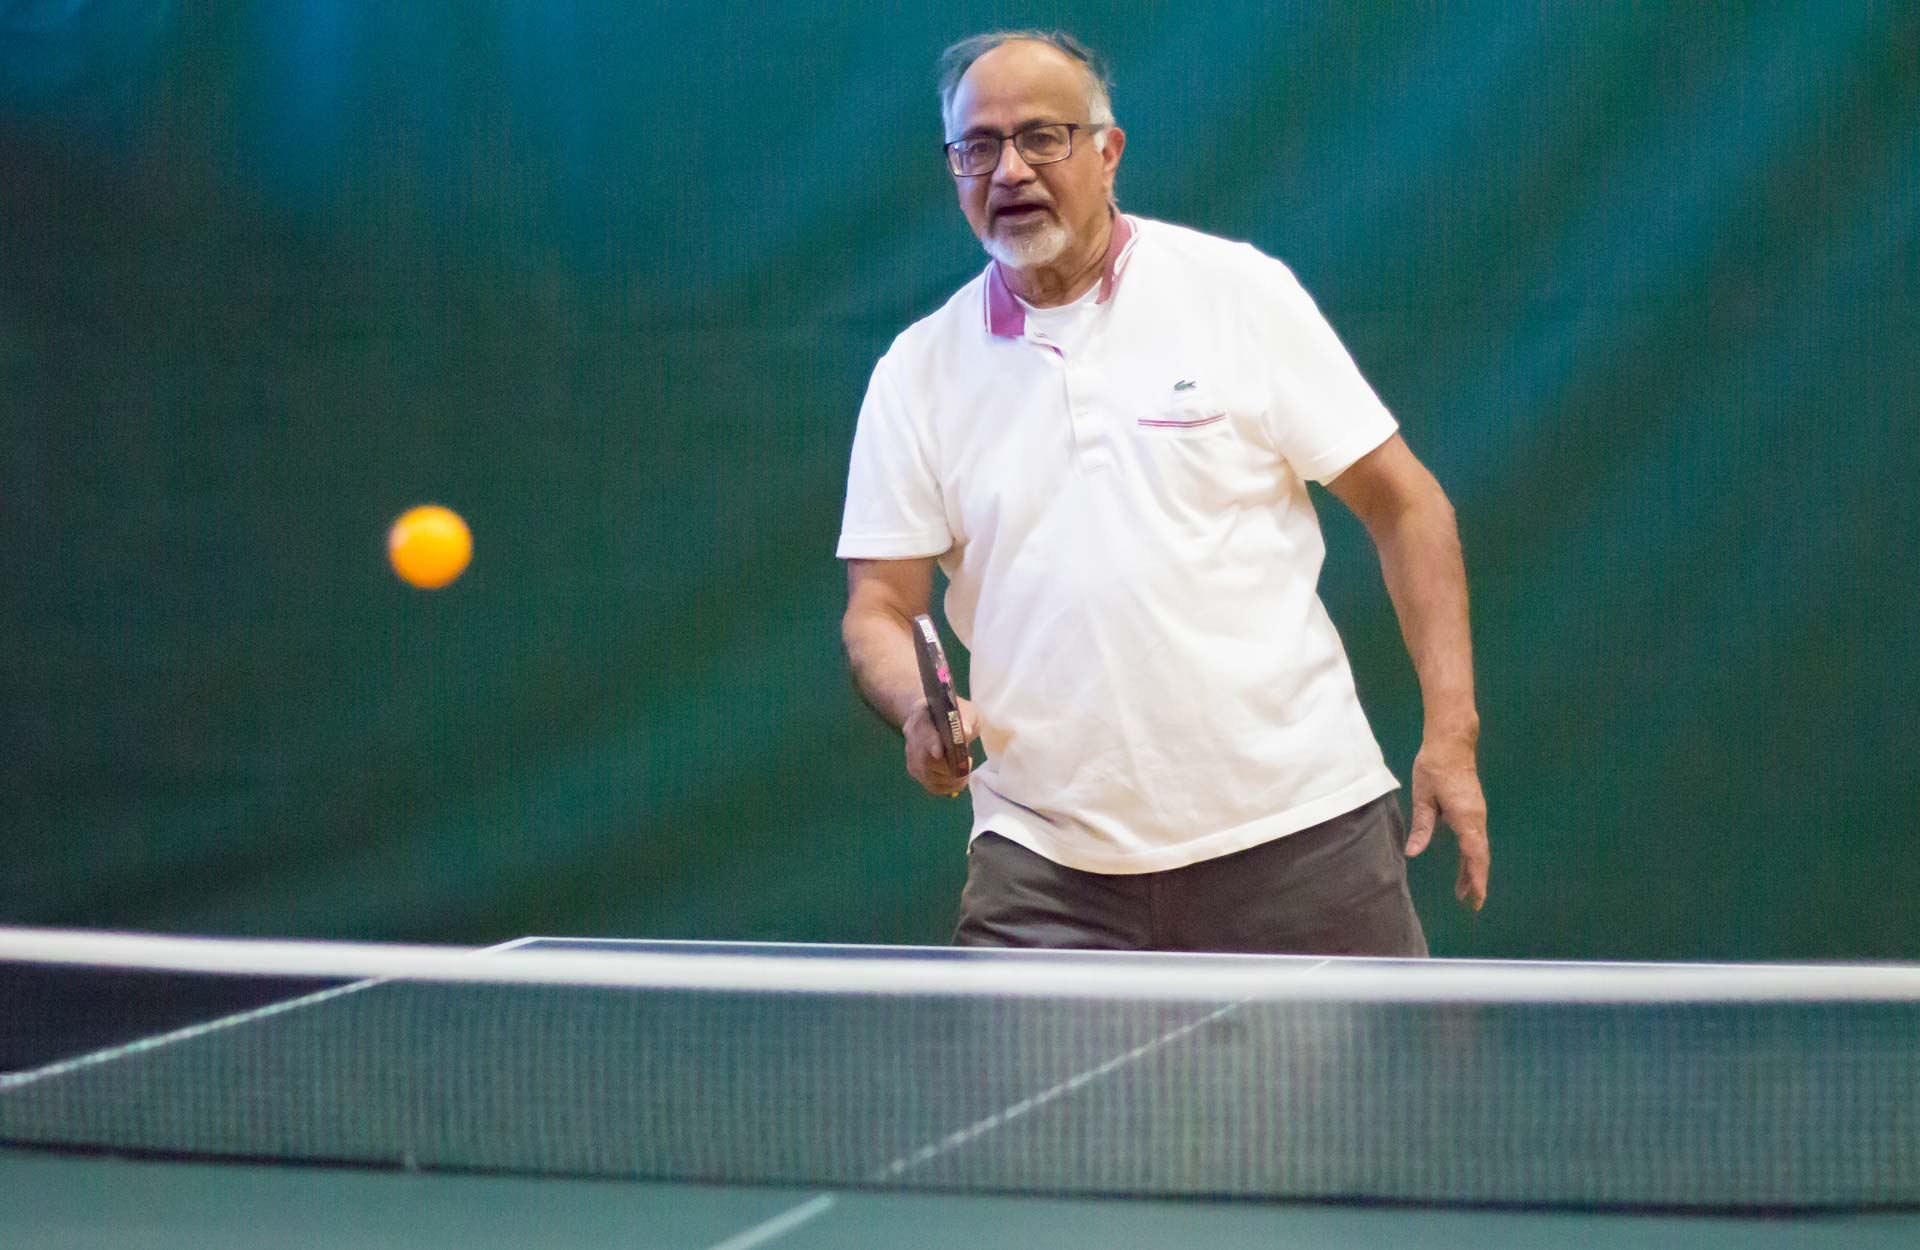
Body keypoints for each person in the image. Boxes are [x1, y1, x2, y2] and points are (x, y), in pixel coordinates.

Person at [837, 29, 1489, 955]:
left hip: (1304, 840)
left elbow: (1407, 504)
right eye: (976, 148)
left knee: (1376, 1107)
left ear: (1108, 153)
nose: (1009, 169)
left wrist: (1450, 736)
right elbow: (879, 604)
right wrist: (916, 706)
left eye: (1043, 137)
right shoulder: (916, 374)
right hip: (1044, 872)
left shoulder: (1237, 294)